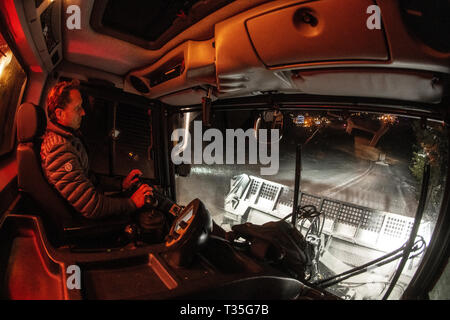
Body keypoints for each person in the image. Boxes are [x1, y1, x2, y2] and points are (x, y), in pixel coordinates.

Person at [40, 80, 154, 220]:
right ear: (59, 114)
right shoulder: (58, 150)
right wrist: (132, 203)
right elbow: (91, 207)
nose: (83, 112)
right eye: (77, 108)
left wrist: (121, 184)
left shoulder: (68, 139)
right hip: (82, 222)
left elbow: (89, 178)